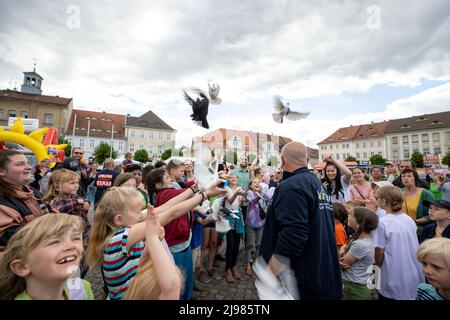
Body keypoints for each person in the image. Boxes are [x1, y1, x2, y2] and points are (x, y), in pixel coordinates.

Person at [87, 184, 224, 300]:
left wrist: (195, 190)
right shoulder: (119, 238)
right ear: (119, 219)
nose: (143, 214)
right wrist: (205, 194)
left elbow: (168, 206)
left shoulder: (125, 230)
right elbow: (171, 213)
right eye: (139, 211)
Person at [260, 142, 342, 300]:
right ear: (307, 159)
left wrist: (270, 272)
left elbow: (294, 235)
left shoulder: (291, 186)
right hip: (321, 271)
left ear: (282, 160)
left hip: (302, 278)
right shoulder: (318, 184)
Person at [145, 168, 226, 300]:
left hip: (183, 243)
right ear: (158, 185)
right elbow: (187, 194)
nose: (171, 179)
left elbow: (187, 196)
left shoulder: (169, 191)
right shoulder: (165, 194)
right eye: (167, 178)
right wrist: (204, 189)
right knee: (178, 284)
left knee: (186, 280)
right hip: (175, 248)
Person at [0, 214, 94, 300]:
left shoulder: (83, 288)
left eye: (76, 238)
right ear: (22, 267)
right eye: (55, 242)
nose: (71, 245)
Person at [374, 186, 425, 300]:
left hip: (392, 274)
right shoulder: (408, 219)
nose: (376, 200)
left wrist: (374, 270)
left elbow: (379, 252)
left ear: (384, 201)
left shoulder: (382, 222)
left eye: (377, 198)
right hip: (412, 272)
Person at [123, 205, 183, 300]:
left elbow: (141, 265)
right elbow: (172, 286)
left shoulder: (133, 291)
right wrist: (152, 237)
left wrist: (154, 238)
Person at [0, 150, 51, 251]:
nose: (29, 167)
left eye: (27, 163)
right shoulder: (2, 201)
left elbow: (51, 213)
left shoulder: (34, 192)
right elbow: (9, 238)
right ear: (1, 171)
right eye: (20, 164)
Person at [43, 169, 90, 250]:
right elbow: (61, 207)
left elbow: (80, 211)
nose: (76, 185)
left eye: (77, 183)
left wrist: (84, 206)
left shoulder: (73, 197)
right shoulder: (56, 200)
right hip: (69, 236)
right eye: (72, 183)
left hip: (83, 232)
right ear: (57, 187)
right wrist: (79, 202)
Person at [339, 207, 378, 300]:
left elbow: (344, 263)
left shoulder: (360, 245)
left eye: (352, 216)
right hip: (360, 285)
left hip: (355, 289)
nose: (349, 217)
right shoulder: (368, 239)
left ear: (359, 224)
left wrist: (341, 251)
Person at [244, 178, 269, 277]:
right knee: (249, 244)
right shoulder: (249, 193)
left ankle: (256, 263)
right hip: (250, 222)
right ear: (250, 185)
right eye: (255, 182)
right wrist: (258, 197)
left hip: (261, 222)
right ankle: (247, 264)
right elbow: (253, 201)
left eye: (258, 182)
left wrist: (263, 193)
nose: (257, 184)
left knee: (259, 244)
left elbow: (268, 199)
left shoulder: (262, 192)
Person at [223, 174, 245, 282]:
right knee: (230, 244)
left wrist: (241, 200)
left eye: (236, 177)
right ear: (228, 180)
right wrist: (236, 194)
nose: (234, 179)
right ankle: (227, 269)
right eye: (231, 177)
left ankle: (233, 266)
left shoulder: (239, 189)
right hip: (229, 217)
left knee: (237, 244)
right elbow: (230, 201)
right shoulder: (226, 189)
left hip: (238, 217)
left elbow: (239, 205)